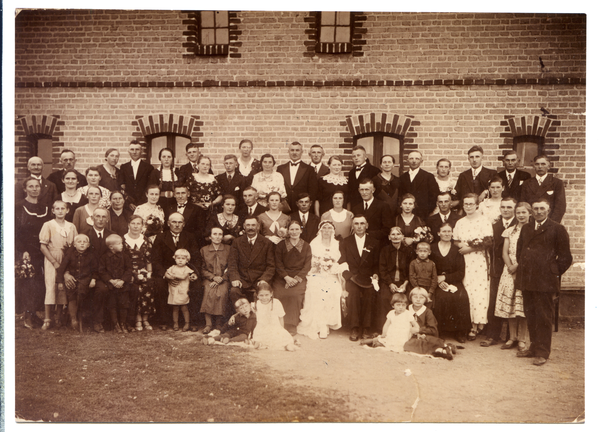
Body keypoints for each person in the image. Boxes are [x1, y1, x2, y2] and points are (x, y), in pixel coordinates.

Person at [515, 198, 572, 366]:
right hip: (528, 280)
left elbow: (565, 258)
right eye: (536, 208)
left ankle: (543, 352)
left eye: (542, 208)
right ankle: (533, 347)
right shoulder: (526, 228)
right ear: (532, 211)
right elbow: (520, 251)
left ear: (548, 210)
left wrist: (552, 272)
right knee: (530, 315)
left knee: (544, 317)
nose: (539, 211)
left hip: (544, 282)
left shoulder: (557, 228)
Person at [151, 212, 202, 332]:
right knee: (160, 285)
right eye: (174, 222)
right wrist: (165, 274)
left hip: (186, 272)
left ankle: (193, 321)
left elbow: (196, 258)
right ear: (168, 223)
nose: (177, 225)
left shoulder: (190, 237)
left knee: (197, 286)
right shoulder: (161, 237)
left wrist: (194, 273)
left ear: (184, 224)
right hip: (168, 272)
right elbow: (156, 260)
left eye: (180, 222)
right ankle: (165, 320)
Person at [297, 221, 348, 339]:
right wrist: (319, 265)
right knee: (315, 290)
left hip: (332, 275)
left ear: (333, 231)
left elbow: (342, 261)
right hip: (316, 274)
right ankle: (319, 324)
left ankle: (326, 324)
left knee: (334, 290)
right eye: (324, 228)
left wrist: (333, 266)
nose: (326, 231)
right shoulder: (314, 243)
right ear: (320, 230)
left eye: (329, 228)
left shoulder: (337, 244)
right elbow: (310, 261)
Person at [453, 193, 493, 341]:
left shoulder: (484, 221)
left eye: (471, 204)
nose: (468, 206)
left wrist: (469, 248)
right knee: (467, 291)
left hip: (479, 260)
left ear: (477, 205)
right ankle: (467, 324)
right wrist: (461, 245)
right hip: (463, 260)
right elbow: (455, 240)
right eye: (465, 204)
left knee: (479, 291)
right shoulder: (460, 222)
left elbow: (488, 241)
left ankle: (478, 324)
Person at [495, 202, 532, 352]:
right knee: (510, 304)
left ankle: (522, 339)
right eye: (518, 213)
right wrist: (510, 267)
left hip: (525, 269)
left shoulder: (532, 231)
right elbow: (504, 252)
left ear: (529, 213)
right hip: (509, 269)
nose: (521, 215)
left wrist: (518, 266)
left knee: (522, 305)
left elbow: (529, 252)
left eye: (524, 212)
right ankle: (512, 337)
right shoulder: (509, 231)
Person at [481, 197, 517, 348]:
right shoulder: (493, 226)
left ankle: (512, 337)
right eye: (503, 207)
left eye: (509, 207)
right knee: (494, 300)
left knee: (514, 301)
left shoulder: (520, 225)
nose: (506, 210)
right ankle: (492, 335)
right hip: (497, 269)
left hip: (514, 269)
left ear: (514, 208)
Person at [15, 177, 52, 322]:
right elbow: (15, 232)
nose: (34, 189)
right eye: (31, 186)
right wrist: (23, 250)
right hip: (26, 249)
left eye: (37, 186)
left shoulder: (45, 207)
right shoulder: (18, 207)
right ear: (25, 189)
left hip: (42, 248)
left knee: (39, 281)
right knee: (28, 281)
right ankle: (27, 314)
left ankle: (35, 312)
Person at [339, 215, 380, 341]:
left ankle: (366, 328)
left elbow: (376, 263)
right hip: (352, 277)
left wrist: (375, 274)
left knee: (369, 294)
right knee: (354, 294)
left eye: (362, 223)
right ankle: (354, 327)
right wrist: (348, 276)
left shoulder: (374, 242)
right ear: (352, 226)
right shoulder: (346, 241)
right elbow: (342, 261)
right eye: (356, 224)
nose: (359, 226)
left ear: (366, 225)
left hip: (368, 277)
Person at [429, 223, 471, 343]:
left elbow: (460, 272)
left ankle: (460, 331)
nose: (447, 234)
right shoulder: (432, 248)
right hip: (435, 281)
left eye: (449, 231)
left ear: (452, 233)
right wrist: (437, 280)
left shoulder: (457, 250)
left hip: (453, 280)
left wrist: (445, 278)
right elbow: (427, 266)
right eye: (444, 231)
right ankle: (440, 331)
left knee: (461, 296)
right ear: (438, 233)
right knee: (441, 297)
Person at [39, 200, 77, 330]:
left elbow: (74, 245)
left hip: (67, 258)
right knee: (51, 286)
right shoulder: (48, 225)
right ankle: (47, 318)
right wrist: (54, 262)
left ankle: (59, 317)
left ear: (67, 211)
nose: (60, 211)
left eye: (63, 208)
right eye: (57, 209)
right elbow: (43, 247)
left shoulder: (71, 226)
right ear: (53, 211)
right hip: (52, 258)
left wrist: (68, 262)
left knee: (62, 288)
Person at [272, 220, 312, 335]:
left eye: (296, 229)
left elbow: (307, 265)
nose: (294, 232)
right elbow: (278, 263)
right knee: (280, 294)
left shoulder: (306, 246)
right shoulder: (281, 245)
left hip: (298, 278)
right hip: (282, 277)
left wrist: (297, 278)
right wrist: (286, 277)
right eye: (291, 229)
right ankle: (279, 324)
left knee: (294, 295)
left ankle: (291, 325)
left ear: (301, 230)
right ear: (288, 231)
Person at [82, 208, 116, 333]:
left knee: (107, 288)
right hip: (89, 274)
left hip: (107, 273)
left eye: (103, 217)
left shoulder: (112, 235)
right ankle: (97, 321)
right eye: (98, 216)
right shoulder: (85, 234)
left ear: (107, 219)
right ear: (92, 218)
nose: (101, 220)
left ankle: (112, 321)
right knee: (101, 289)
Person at [228, 216, 276, 304]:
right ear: (244, 226)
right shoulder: (237, 242)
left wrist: (264, 279)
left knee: (263, 293)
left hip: (259, 279)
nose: (250, 228)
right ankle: (241, 316)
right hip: (242, 279)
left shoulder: (266, 243)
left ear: (258, 226)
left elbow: (271, 266)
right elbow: (232, 264)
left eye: (253, 225)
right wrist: (235, 278)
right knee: (234, 291)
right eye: (248, 225)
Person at [56, 234, 98, 331]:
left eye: (85, 242)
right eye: (79, 242)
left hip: (85, 279)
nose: (82, 244)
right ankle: (73, 318)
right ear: (74, 245)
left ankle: (82, 317)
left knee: (81, 291)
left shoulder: (91, 256)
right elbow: (62, 269)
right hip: (73, 279)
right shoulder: (70, 255)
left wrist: (93, 279)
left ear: (88, 245)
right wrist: (60, 282)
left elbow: (95, 270)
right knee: (71, 293)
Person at [402, 287, 455, 360]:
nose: (418, 299)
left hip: (423, 335)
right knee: (404, 342)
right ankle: (442, 348)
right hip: (407, 334)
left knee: (425, 342)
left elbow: (433, 330)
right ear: (410, 298)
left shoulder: (428, 312)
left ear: (426, 299)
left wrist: (420, 330)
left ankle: (446, 348)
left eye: (421, 297)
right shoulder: (406, 309)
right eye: (415, 297)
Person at [123, 215, 155, 332]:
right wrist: (132, 274)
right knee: (136, 288)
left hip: (143, 271)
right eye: (133, 223)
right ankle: (137, 319)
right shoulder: (123, 239)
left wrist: (149, 273)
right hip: (128, 272)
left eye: (138, 224)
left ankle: (145, 319)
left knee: (147, 284)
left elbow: (149, 259)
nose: (136, 226)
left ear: (142, 226)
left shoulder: (146, 240)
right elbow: (122, 261)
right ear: (128, 225)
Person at [376, 227, 410, 334]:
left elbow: (411, 270)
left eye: (398, 234)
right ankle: (383, 329)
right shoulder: (385, 250)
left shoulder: (409, 251)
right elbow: (382, 269)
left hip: (404, 281)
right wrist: (390, 283)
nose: (395, 237)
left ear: (402, 237)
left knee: (407, 297)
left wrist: (405, 284)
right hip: (388, 281)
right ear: (389, 237)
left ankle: (403, 329)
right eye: (393, 234)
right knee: (384, 297)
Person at [99, 234, 133, 333]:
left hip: (123, 285)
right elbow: (102, 271)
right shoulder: (104, 257)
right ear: (111, 247)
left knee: (124, 304)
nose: (122, 245)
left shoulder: (125, 257)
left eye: (121, 243)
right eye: (119, 244)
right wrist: (111, 280)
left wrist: (122, 280)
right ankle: (115, 324)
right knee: (112, 304)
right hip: (111, 285)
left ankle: (123, 323)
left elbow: (129, 270)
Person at [200, 227, 231, 334]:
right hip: (209, 278)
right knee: (208, 291)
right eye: (215, 234)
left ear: (223, 237)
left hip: (224, 278)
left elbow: (231, 266)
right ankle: (208, 324)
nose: (217, 237)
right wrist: (213, 277)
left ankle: (218, 323)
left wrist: (221, 278)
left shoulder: (229, 249)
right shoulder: (204, 250)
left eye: (220, 234)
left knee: (222, 292)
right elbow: (202, 268)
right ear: (210, 236)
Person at [520, 154, 567, 223]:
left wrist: (551, 223)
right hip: (531, 222)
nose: (540, 167)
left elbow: (560, 206)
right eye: (537, 164)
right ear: (534, 166)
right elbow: (523, 204)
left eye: (543, 164)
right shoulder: (526, 183)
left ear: (548, 166)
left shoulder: (557, 183)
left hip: (549, 222)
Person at [251, 283, 297, 351]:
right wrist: (234, 316)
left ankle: (287, 345)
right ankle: (261, 344)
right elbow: (245, 312)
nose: (264, 298)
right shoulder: (255, 304)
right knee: (260, 340)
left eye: (267, 295)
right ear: (257, 295)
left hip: (275, 327)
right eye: (261, 295)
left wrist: (282, 329)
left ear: (271, 294)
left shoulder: (276, 302)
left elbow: (281, 317)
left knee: (282, 338)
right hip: (261, 328)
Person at [277, 141, 318, 214]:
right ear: (288, 151)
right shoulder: (281, 168)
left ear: (302, 152)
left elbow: (313, 192)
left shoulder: (309, 169)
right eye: (292, 150)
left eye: (297, 150)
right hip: (285, 208)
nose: (294, 153)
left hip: (302, 208)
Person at [398, 151, 439, 219]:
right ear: (407, 161)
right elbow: (400, 196)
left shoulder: (428, 176)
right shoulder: (402, 177)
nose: (414, 161)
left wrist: (427, 211)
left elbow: (434, 196)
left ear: (421, 161)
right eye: (411, 158)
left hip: (423, 214)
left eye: (417, 159)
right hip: (406, 214)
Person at [166, 249, 198, 332]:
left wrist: (172, 275)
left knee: (184, 307)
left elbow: (183, 276)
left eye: (183, 258)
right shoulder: (172, 267)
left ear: (187, 260)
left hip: (183, 291)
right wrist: (168, 276)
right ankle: (175, 323)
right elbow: (166, 273)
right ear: (175, 258)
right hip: (174, 291)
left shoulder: (186, 269)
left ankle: (187, 323)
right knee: (175, 308)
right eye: (178, 258)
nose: (180, 260)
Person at [186, 156, 223, 225]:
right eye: (203, 164)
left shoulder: (213, 179)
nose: (205, 166)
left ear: (210, 167)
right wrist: (197, 204)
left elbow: (220, 196)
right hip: (195, 210)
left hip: (211, 211)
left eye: (207, 164)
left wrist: (212, 203)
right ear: (197, 165)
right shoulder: (192, 179)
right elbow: (186, 196)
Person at [121, 140, 155, 209]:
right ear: (128, 151)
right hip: (128, 205)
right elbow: (122, 186)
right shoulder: (123, 167)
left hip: (144, 203)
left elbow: (149, 187)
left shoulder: (149, 167)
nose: (134, 152)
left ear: (141, 151)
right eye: (132, 149)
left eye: (137, 149)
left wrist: (140, 203)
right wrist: (129, 202)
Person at [373, 155, 400, 219]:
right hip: (379, 214)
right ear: (381, 165)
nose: (387, 164)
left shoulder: (398, 180)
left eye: (389, 162)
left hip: (395, 215)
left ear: (393, 165)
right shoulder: (375, 180)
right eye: (384, 162)